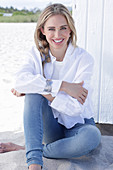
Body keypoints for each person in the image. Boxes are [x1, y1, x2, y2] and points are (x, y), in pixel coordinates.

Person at [0, 3, 101, 170]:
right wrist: (63, 86)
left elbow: (76, 108)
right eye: (51, 29)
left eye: (63, 28)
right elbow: (19, 82)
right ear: (42, 31)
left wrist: (39, 88)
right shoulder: (36, 54)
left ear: (70, 30)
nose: (57, 35)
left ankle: (30, 149)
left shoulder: (84, 59)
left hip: (79, 126)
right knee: (33, 96)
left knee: (93, 136)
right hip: (51, 128)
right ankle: (34, 164)